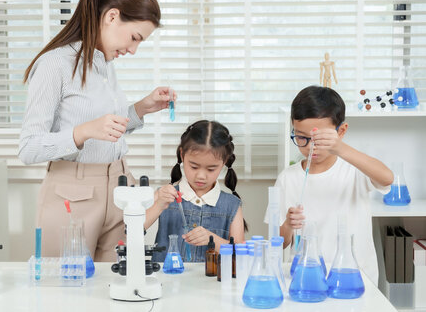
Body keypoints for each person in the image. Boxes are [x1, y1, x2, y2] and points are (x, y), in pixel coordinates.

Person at [19, 0, 175, 261]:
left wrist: (141, 108)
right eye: (135, 38)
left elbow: (105, 130)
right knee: (66, 293)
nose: (133, 50)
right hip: (72, 195)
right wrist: (83, 132)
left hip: (119, 189)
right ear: (112, 16)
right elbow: (29, 148)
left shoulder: (105, 64)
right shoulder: (55, 65)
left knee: (115, 288)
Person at [266, 85, 393, 284]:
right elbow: (278, 242)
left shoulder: (354, 170)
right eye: (301, 137)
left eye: (319, 139)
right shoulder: (288, 178)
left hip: (355, 277)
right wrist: (289, 225)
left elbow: (387, 178)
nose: (309, 147)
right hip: (305, 278)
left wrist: (341, 149)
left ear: (340, 131)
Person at [145, 120, 246, 262]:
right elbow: (132, 231)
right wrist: (159, 205)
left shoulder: (232, 205)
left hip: (212, 283)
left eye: (211, 169)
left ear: (224, 162)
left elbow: (241, 253)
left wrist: (213, 240)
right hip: (166, 281)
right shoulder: (164, 195)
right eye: (194, 166)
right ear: (182, 155)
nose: (201, 176)